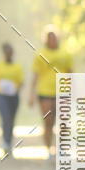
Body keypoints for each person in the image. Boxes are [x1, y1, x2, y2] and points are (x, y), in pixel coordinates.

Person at [29, 28, 72, 159]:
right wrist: (31, 94)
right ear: (46, 40)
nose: (52, 40)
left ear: (57, 38)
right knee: (48, 122)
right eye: (49, 38)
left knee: (64, 121)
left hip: (63, 91)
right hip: (45, 92)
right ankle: (48, 149)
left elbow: (71, 73)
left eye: (54, 37)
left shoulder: (65, 54)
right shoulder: (40, 55)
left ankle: (63, 149)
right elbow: (35, 75)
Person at [0, 43, 24, 156]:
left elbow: (21, 82)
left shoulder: (17, 67)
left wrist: (14, 88)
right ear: (4, 53)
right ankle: (5, 142)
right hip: (1, 96)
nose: (9, 54)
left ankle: (9, 141)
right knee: (6, 117)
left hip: (13, 96)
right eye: (7, 52)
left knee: (11, 119)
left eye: (10, 52)